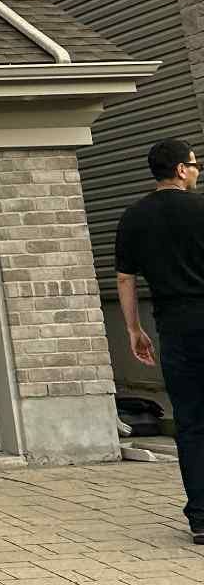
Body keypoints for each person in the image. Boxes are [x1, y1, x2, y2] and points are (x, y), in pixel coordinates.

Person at [116, 137, 204, 541]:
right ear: (181, 170)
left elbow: (125, 278)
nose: (197, 170)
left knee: (190, 421)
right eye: (195, 164)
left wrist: (134, 329)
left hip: (175, 326)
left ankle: (201, 518)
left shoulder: (134, 217)